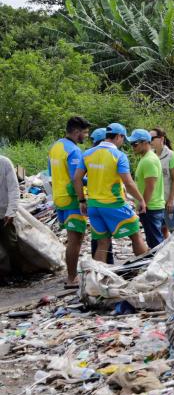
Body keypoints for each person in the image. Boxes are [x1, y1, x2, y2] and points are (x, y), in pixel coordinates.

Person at [73, 123, 149, 262]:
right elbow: (128, 182)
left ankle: (97, 279)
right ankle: (147, 273)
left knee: (103, 243)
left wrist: (82, 200)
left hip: (94, 206)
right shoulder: (119, 156)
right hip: (114, 204)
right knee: (136, 235)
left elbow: (77, 178)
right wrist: (141, 200)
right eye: (123, 138)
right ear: (119, 136)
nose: (123, 142)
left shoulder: (88, 154)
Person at [47, 116, 90, 287]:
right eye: (85, 133)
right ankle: (71, 279)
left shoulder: (55, 147)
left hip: (59, 198)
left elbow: (51, 173)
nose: (86, 136)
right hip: (72, 200)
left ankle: (71, 275)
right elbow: (76, 179)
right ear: (77, 132)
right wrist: (82, 198)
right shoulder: (73, 151)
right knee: (75, 240)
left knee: (71, 239)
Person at [128, 129, 167, 249]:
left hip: (151, 207)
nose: (133, 147)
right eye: (131, 144)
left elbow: (151, 185)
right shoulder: (146, 158)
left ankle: (159, 266)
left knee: (155, 243)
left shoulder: (149, 160)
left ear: (145, 142)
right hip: (152, 206)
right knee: (156, 240)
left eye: (135, 144)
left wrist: (142, 203)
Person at [87, 128, 115, 265]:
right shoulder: (110, 154)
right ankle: (105, 266)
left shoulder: (88, 154)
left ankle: (100, 266)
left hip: (93, 202)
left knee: (99, 237)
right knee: (103, 239)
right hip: (108, 201)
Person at [149, 128, 174, 238]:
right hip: (158, 201)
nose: (150, 141)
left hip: (170, 200)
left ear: (161, 139)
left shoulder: (171, 155)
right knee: (162, 229)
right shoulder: (151, 156)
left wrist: (171, 200)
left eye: (153, 138)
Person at [0, 153, 22, 277]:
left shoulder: (4, 162)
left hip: (4, 213)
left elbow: (14, 188)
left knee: (11, 245)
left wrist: (11, 211)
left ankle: (17, 274)